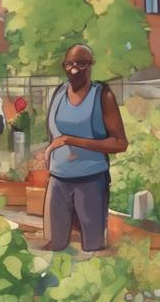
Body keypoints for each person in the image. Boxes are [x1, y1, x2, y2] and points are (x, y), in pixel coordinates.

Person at [39, 45, 128, 253]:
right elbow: (54, 135)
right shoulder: (59, 93)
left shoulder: (102, 95)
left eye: (81, 63)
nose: (74, 69)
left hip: (91, 181)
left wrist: (72, 140)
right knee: (56, 244)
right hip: (58, 180)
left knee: (93, 247)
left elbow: (120, 143)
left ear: (90, 66)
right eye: (69, 64)